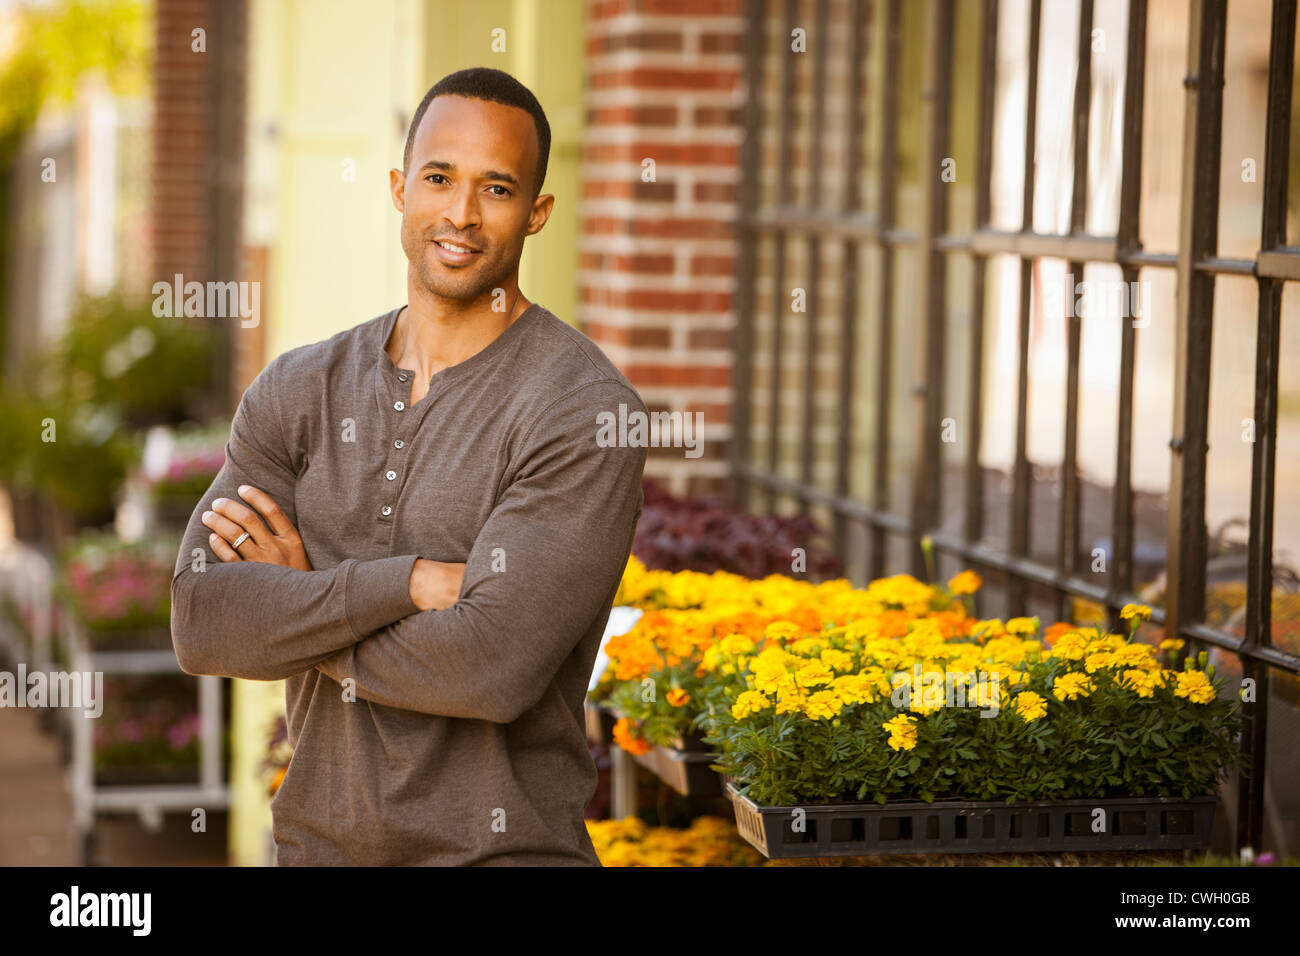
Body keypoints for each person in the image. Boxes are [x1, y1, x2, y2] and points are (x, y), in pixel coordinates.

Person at [170, 67, 647, 865]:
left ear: (537, 214)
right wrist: (413, 581)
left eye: (496, 189)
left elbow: (491, 670)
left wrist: (300, 595)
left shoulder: (582, 410)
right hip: (317, 849)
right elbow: (202, 620)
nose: (460, 215)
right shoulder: (299, 388)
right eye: (439, 178)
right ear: (399, 188)